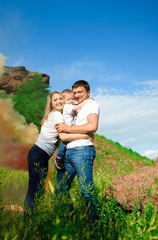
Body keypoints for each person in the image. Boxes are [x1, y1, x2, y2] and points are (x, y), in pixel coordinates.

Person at [24, 91, 93, 217]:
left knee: (37, 189)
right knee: (35, 190)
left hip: (39, 153)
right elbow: (64, 137)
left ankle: (31, 219)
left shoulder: (54, 114)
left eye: (60, 98)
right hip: (39, 153)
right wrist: (86, 135)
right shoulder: (56, 115)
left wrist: (86, 100)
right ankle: (28, 220)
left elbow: (73, 107)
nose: (59, 101)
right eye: (55, 100)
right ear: (51, 104)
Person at [55, 80, 100, 228]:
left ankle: (95, 227)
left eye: (80, 92)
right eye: (74, 93)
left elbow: (92, 126)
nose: (77, 95)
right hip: (68, 151)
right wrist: (82, 134)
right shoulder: (72, 107)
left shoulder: (92, 104)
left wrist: (67, 128)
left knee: (86, 190)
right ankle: (71, 223)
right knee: (61, 189)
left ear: (88, 92)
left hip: (82, 150)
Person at [54, 89, 89, 170]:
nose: (71, 101)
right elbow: (79, 106)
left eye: (72, 99)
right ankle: (59, 157)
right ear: (64, 101)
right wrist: (88, 101)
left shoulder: (72, 106)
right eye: (68, 99)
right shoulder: (67, 106)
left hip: (71, 128)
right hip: (67, 128)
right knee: (64, 142)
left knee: (68, 143)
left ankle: (64, 157)